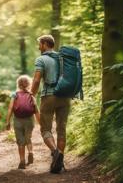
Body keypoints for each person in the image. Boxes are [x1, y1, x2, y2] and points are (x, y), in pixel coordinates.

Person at [31, 35, 71, 173]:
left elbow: (36, 80)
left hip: (49, 96)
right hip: (65, 97)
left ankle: (55, 153)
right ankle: (60, 162)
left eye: (39, 44)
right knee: (61, 129)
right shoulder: (63, 58)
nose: (38, 47)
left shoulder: (41, 59)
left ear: (45, 44)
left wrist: (32, 94)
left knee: (45, 129)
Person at [6, 75, 40, 169]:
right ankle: (30, 152)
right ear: (29, 84)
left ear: (18, 84)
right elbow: (36, 109)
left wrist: (7, 121)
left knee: (20, 141)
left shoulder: (15, 94)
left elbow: (10, 108)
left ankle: (22, 161)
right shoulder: (31, 95)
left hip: (18, 120)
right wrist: (40, 122)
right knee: (28, 138)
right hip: (29, 120)